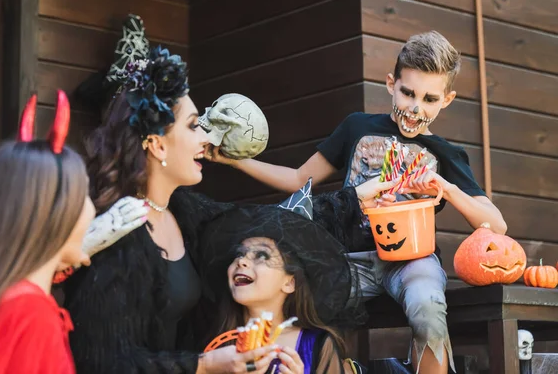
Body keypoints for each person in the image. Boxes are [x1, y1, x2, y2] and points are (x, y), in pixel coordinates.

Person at [206, 31, 507, 374]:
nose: (415, 107)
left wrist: (447, 188)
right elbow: (296, 180)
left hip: (412, 260)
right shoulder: (357, 127)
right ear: (391, 83)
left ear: (447, 100)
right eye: (408, 93)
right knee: (302, 302)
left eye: (429, 99)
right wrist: (234, 161)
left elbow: (495, 224)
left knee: (429, 306)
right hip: (349, 259)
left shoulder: (445, 153)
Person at [61, 42, 278, 373]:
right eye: (194, 126)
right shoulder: (116, 232)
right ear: (157, 144)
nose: (206, 137)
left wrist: (354, 200)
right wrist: (202, 366)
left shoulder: (184, 210)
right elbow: (102, 361)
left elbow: (260, 221)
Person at [0, 91, 96, 373]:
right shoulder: (30, 316)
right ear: (55, 210)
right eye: (85, 194)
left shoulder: (6, 301)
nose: (93, 209)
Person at [198, 181, 368, 374]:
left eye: (261, 256)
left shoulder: (317, 345)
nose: (242, 261)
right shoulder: (217, 348)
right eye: (239, 254)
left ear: (290, 282)